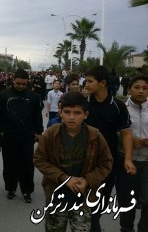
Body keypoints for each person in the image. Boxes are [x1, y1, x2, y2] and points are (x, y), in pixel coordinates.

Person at [34, 92, 113, 232]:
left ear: (86, 114)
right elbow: (39, 159)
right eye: (67, 112)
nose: (71, 117)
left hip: (83, 197)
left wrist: (88, 180)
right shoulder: (51, 134)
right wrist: (64, 179)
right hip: (56, 195)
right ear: (60, 112)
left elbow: (106, 162)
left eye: (77, 113)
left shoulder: (94, 135)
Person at [83, 66, 136, 232]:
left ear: (103, 83)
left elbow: (126, 134)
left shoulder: (118, 106)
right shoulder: (82, 104)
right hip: (83, 163)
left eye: (90, 81)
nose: (86, 84)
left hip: (108, 164)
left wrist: (127, 159)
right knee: (87, 207)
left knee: (100, 205)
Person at [0, 69, 43, 203]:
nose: (21, 86)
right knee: (9, 164)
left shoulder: (33, 96)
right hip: (8, 136)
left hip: (27, 137)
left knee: (27, 165)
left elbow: (37, 116)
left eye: (23, 84)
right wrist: (1, 130)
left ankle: (27, 191)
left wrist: (39, 133)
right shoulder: (4, 95)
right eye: (18, 83)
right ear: (13, 81)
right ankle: (11, 189)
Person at [118, 76, 148, 232]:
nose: (141, 91)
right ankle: (126, 229)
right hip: (127, 162)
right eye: (137, 87)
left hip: (147, 161)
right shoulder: (122, 108)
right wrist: (129, 140)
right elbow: (113, 132)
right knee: (127, 200)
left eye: (145, 88)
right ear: (129, 89)